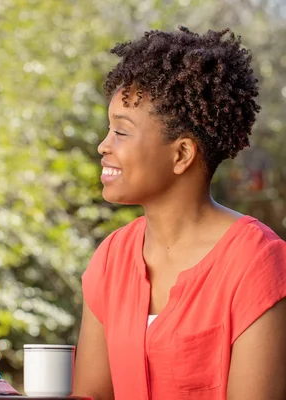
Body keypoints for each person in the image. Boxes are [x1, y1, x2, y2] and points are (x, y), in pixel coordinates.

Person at [72, 27, 286, 400]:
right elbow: (91, 394)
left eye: (121, 133)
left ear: (182, 155)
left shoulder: (258, 262)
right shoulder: (111, 258)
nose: (102, 146)